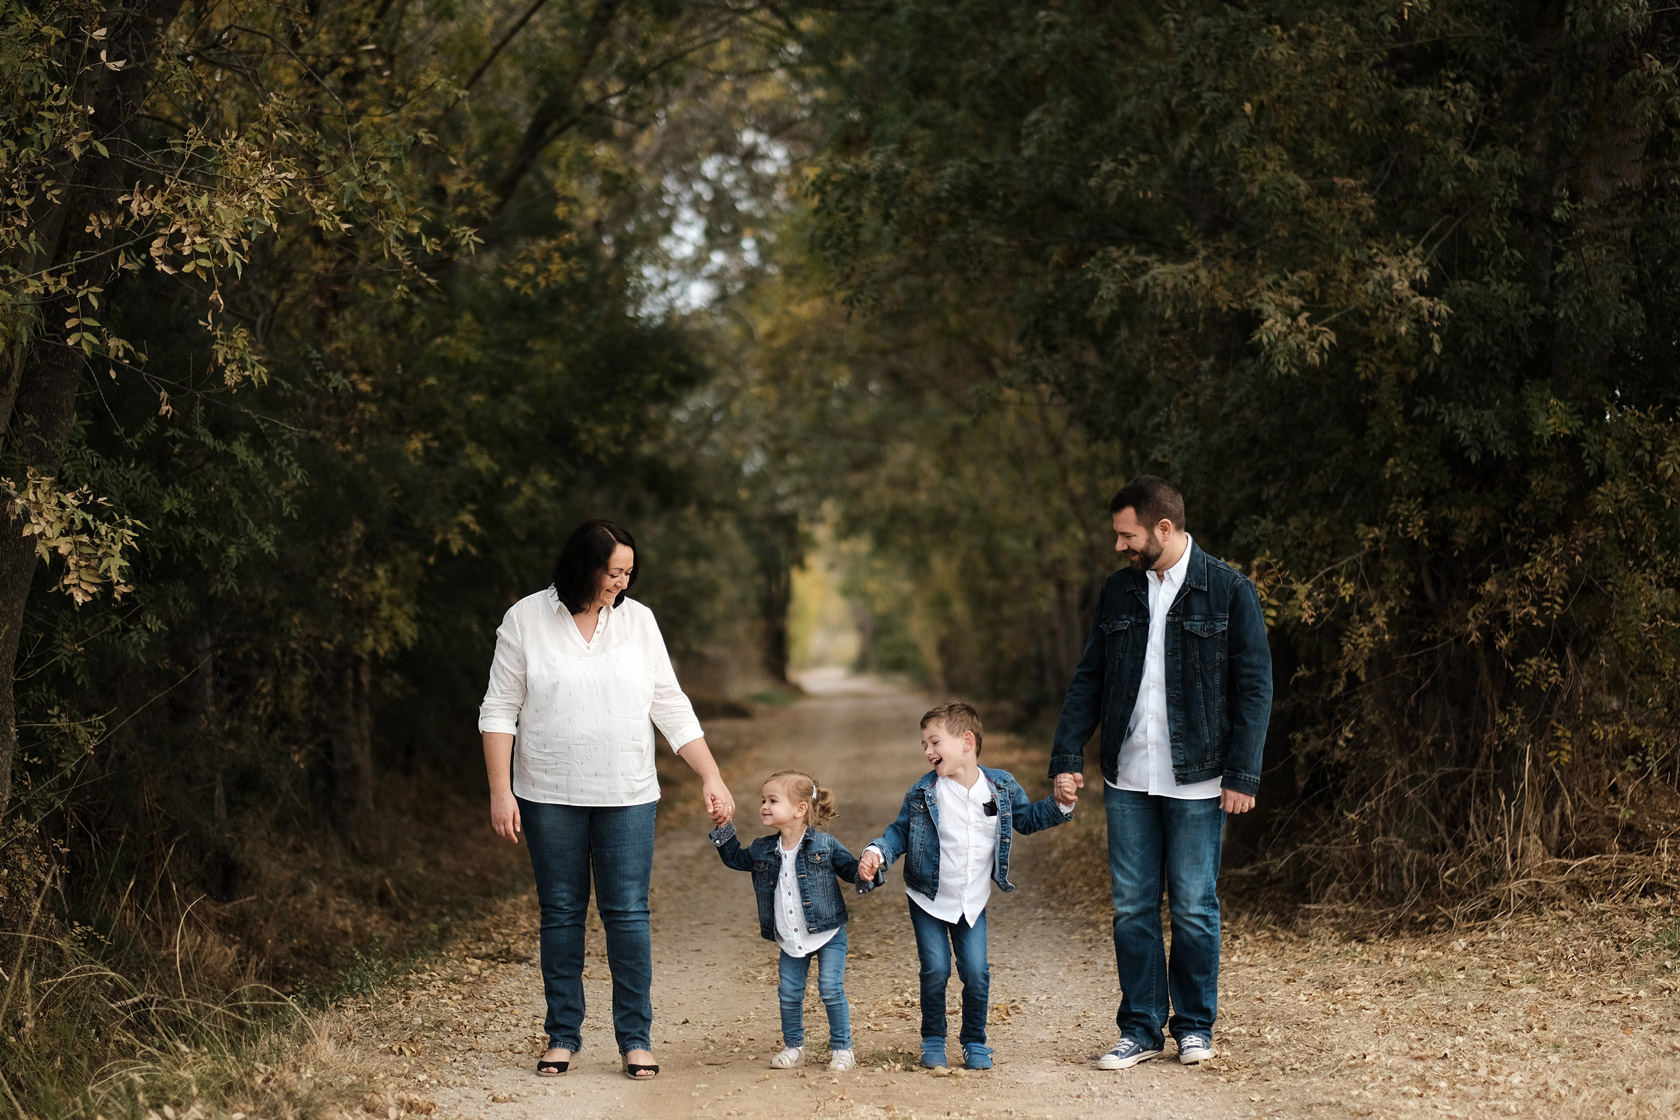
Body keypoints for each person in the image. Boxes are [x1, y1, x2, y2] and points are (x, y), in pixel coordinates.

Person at [478, 519, 736, 1081]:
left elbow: (669, 704)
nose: (622, 582)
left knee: (626, 914)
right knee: (563, 913)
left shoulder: (638, 622)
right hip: (548, 792)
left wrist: (710, 775)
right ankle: (562, 1035)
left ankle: (635, 1039)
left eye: (628, 572)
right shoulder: (526, 618)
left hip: (627, 794)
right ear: (583, 567)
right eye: (613, 571)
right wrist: (501, 791)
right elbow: (499, 708)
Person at [1049, 476, 1273, 1070]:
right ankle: (1141, 1028)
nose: (1120, 546)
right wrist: (1068, 756)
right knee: (1133, 906)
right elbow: (1089, 678)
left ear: (1163, 529)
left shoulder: (1228, 591)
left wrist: (1242, 774)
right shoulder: (1118, 592)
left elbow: (1254, 689)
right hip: (1128, 775)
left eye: (1128, 535)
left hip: (1200, 779)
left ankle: (1195, 1026)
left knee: (1195, 906)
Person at [856, 703, 1074, 1071]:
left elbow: (1026, 820)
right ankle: (933, 1038)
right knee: (936, 969)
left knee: (975, 971)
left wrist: (1061, 805)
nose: (927, 751)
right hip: (927, 895)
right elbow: (899, 832)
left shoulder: (1000, 787)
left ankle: (974, 1040)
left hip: (971, 900)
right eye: (924, 744)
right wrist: (877, 853)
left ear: (967, 741)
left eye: (934, 742)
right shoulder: (925, 792)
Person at [709, 770, 861, 1072]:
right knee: (789, 993)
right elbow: (734, 859)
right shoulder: (763, 849)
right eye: (763, 800)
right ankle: (794, 1047)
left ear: (799, 809)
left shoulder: (824, 845)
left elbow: (853, 872)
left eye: (772, 800)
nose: (764, 806)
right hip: (790, 937)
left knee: (830, 988)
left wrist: (870, 869)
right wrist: (724, 827)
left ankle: (843, 1049)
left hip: (828, 932)